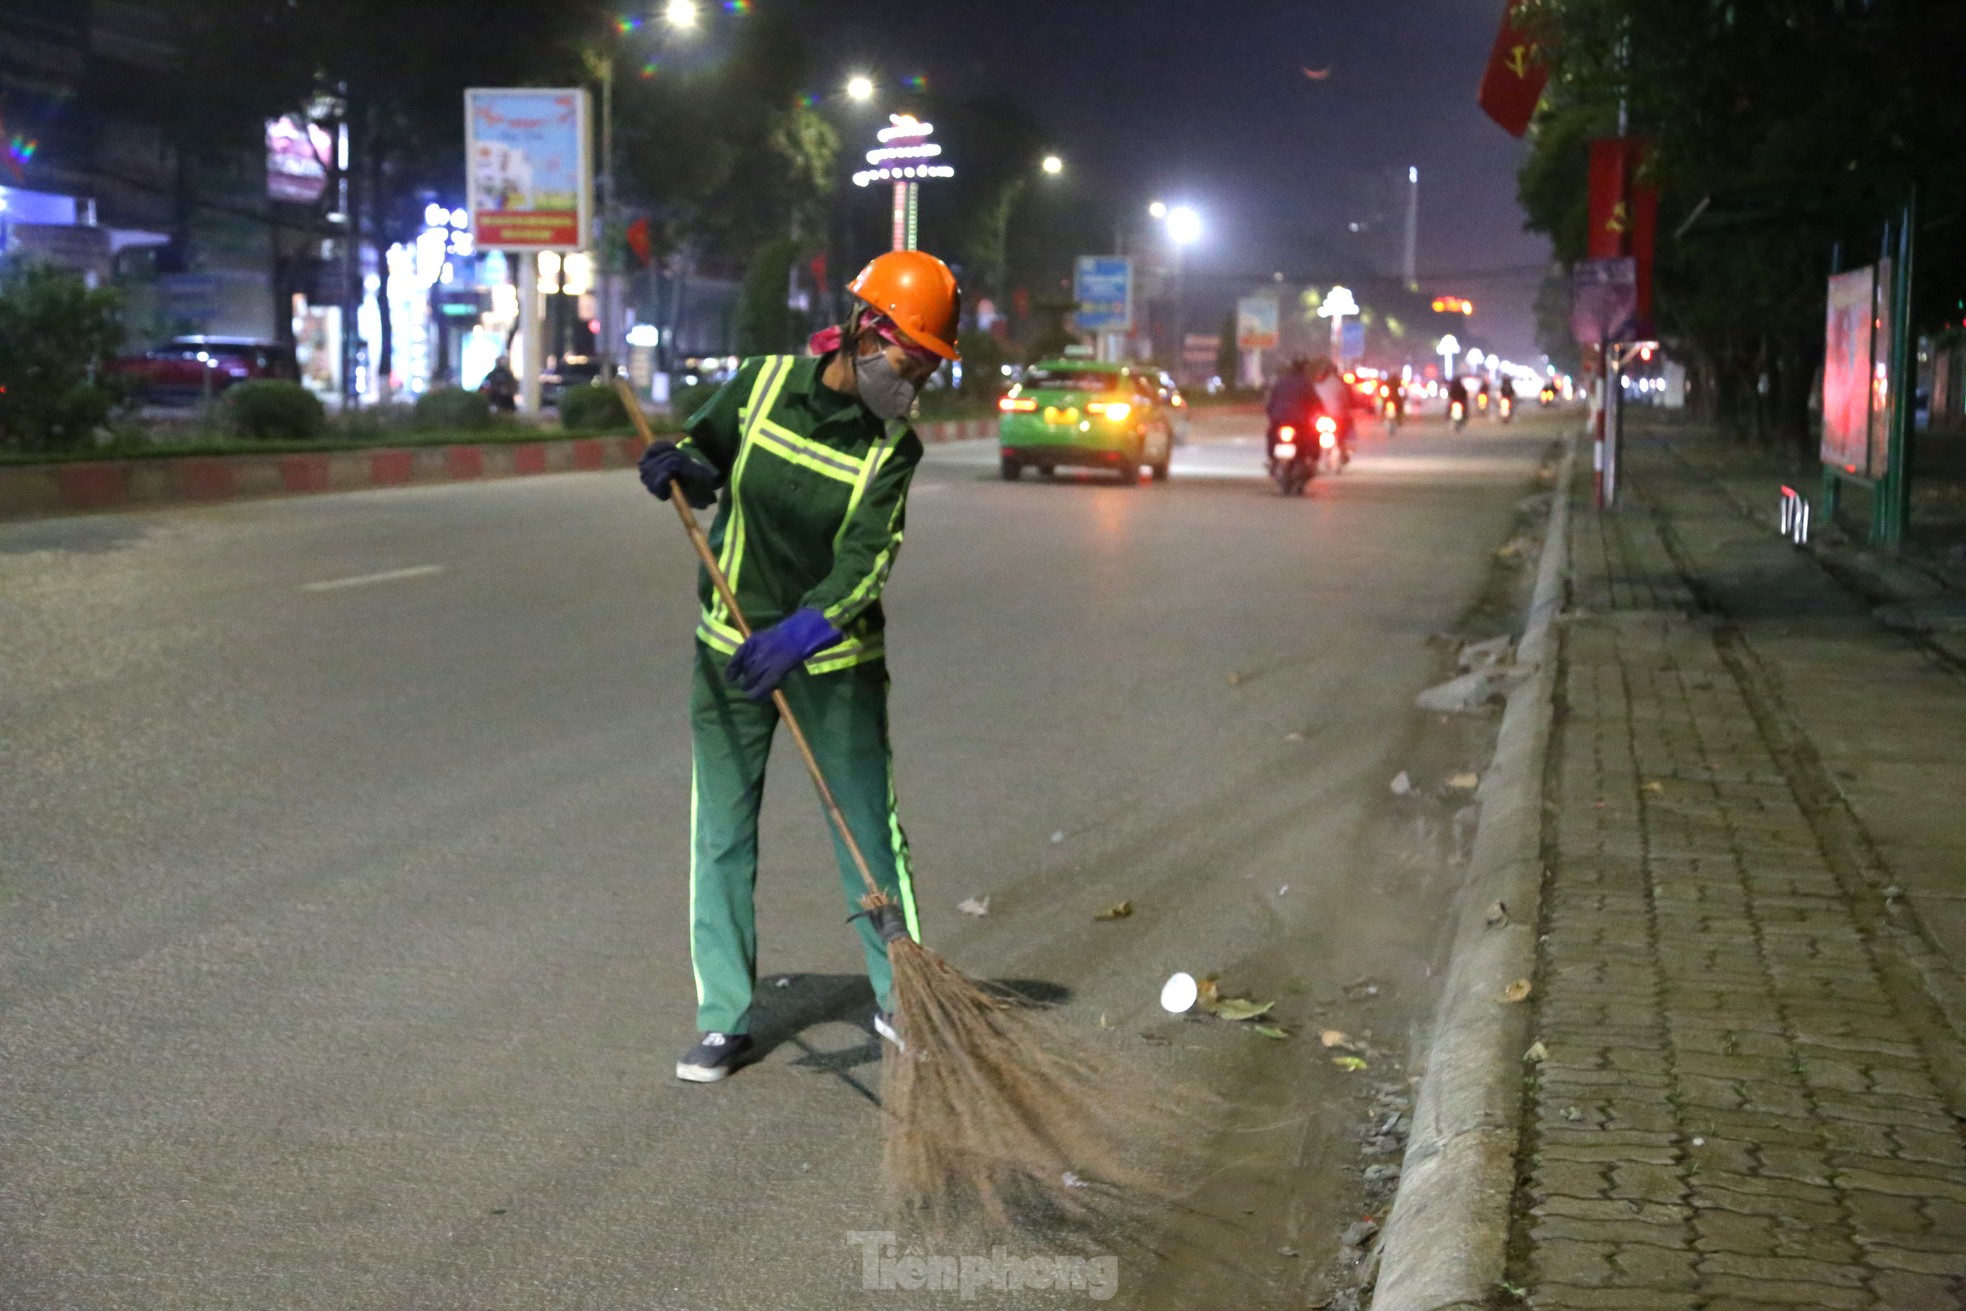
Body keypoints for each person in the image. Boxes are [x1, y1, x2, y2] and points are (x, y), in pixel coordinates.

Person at [636, 249, 959, 1084]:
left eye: (927, 365)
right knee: (721, 832)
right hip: (728, 654)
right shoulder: (763, 382)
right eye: (910, 357)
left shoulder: (894, 448)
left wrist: (804, 632)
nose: (914, 377)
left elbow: (866, 560)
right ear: (866, 330)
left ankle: (903, 997)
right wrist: (680, 467)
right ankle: (723, 1019)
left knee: (868, 838)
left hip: (833, 666)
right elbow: (700, 450)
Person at [1265, 356, 1313, 465]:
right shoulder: (1306, 384)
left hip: (1280, 418)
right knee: (1310, 437)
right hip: (1300, 421)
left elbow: (1271, 403)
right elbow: (1315, 402)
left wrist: (1272, 415)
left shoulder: (1280, 382)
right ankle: (1309, 458)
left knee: (1271, 435)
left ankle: (1272, 459)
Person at [1310, 357, 1353, 463]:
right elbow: (1346, 400)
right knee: (1343, 432)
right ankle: (1342, 448)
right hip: (1336, 416)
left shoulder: (1317, 384)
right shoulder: (1338, 384)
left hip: (1322, 417)